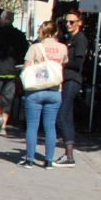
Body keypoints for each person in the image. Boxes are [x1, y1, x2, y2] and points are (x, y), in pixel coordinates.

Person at [19, 18, 68, 168]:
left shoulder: (35, 47)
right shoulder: (63, 47)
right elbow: (64, 63)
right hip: (54, 90)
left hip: (36, 90)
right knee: (50, 126)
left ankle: (29, 159)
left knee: (32, 126)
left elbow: (26, 68)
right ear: (56, 32)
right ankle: (48, 160)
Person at [0, 11, 28, 135]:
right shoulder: (20, 35)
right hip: (12, 71)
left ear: (2, 19)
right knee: (7, 99)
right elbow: (25, 52)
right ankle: (3, 128)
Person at [55, 10, 89, 166]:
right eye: (67, 21)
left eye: (72, 22)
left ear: (79, 23)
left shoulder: (80, 39)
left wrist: (63, 63)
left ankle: (69, 155)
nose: (68, 24)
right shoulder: (68, 38)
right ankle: (68, 155)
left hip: (72, 80)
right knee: (67, 117)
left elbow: (78, 63)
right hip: (65, 79)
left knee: (61, 116)